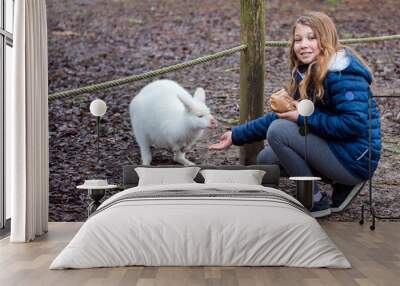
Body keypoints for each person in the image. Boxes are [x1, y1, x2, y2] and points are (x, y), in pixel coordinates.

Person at [208, 11, 381, 218]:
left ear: (326, 39)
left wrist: (301, 118)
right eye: (298, 39)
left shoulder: (342, 75)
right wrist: (236, 135)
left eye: (312, 37)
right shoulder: (309, 70)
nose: (303, 44)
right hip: (337, 147)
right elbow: (282, 115)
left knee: (279, 132)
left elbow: (353, 125)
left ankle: (315, 201)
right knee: (267, 159)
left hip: (355, 157)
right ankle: (339, 183)